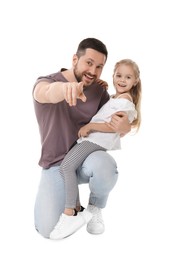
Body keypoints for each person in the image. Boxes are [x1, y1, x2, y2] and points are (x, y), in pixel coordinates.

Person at [33, 38, 131, 239]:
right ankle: (73, 204)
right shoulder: (48, 82)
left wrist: (125, 127)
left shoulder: (99, 90)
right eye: (89, 63)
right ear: (75, 59)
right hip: (55, 163)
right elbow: (46, 93)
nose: (93, 71)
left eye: (99, 67)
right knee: (47, 229)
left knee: (106, 166)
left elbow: (112, 119)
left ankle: (94, 209)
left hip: (85, 158)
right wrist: (65, 89)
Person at [49, 58, 142, 239]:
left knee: (66, 167)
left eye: (128, 77)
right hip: (93, 140)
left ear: (135, 81)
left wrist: (90, 127)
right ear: (113, 76)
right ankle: (76, 208)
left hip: (96, 140)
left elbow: (113, 126)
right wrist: (104, 86)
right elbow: (106, 111)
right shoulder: (117, 98)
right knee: (70, 169)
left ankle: (69, 214)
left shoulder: (125, 101)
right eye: (119, 75)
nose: (122, 80)